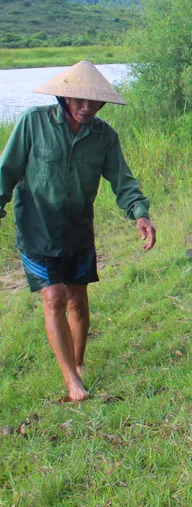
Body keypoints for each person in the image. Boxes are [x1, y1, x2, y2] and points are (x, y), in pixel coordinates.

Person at [0, 60, 156, 402]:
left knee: (77, 301)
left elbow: (123, 182)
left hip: (78, 231)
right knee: (53, 297)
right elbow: (6, 171)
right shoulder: (33, 123)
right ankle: (72, 380)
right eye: (78, 100)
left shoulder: (104, 137)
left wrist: (140, 215)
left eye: (94, 102)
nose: (86, 108)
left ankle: (80, 362)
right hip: (36, 228)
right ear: (63, 96)